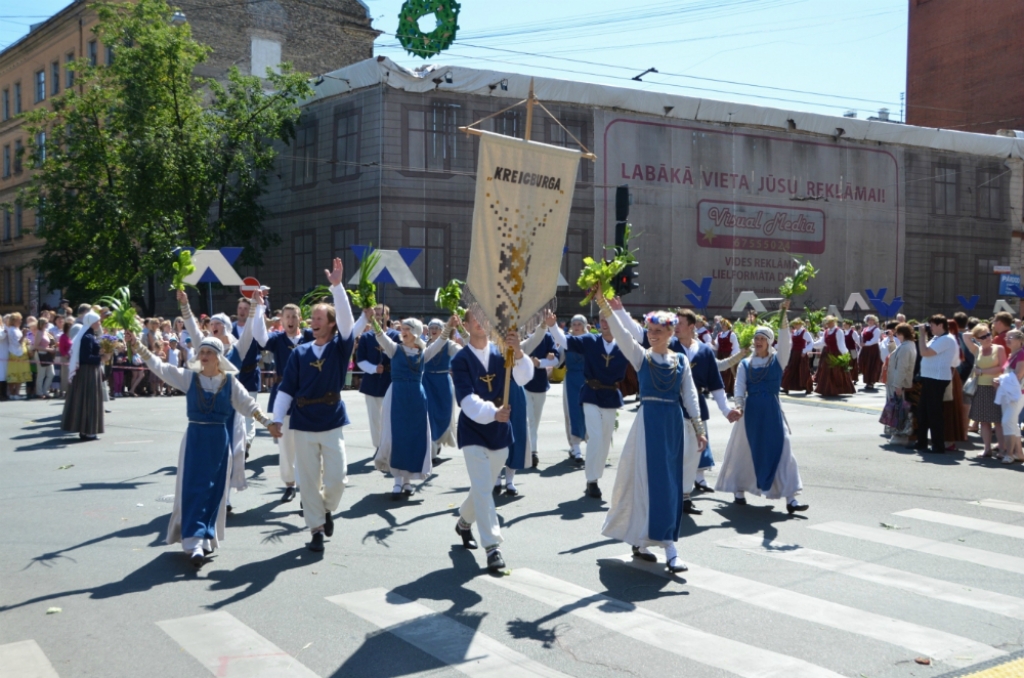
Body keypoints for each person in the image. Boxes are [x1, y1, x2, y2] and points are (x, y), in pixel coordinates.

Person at [126, 326, 272, 568]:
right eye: (201, 351)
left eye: (208, 352)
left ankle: (205, 537)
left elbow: (249, 405)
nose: (203, 356)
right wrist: (139, 347)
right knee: (194, 488)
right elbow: (160, 367)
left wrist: (268, 422)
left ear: (218, 357)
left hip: (218, 440)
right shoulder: (189, 378)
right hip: (195, 439)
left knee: (213, 491)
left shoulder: (230, 382)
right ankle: (193, 542)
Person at [598, 294, 707, 573]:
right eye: (650, 330)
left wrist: (698, 428)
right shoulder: (641, 356)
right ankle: (643, 539)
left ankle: (669, 546)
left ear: (671, 332)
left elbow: (691, 395)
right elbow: (622, 335)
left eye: (660, 331)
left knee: (670, 486)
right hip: (648, 425)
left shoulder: (680, 361)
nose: (653, 335)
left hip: (672, 424)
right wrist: (604, 305)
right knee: (644, 484)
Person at [270, 259, 357, 552]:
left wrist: (337, 287)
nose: (312, 321)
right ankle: (316, 529)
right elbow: (286, 389)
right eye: (312, 318)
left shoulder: (340, 346)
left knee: (337, 479)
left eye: (319, 318)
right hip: (304, 421)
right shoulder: (300, 352)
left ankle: (326, 509)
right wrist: (276, 419)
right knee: (307, 480)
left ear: (330, 324)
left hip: (331, 420)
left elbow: (346, 320)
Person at [451, 310, 533, 572]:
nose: (479, 322)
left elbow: (523, 378)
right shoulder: (461, 359)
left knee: (481, 486)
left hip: (501, 430)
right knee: (485, 489)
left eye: (483, 318)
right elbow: (466, 400)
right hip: (474, 429)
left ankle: (464, 522)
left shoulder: (502, 352)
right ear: (465, 325)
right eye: (473, 319)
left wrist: (518, 353)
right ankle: (492, 547)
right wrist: (492, 412)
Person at [716, 301, 809, 514]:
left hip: (772, 411)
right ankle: (739, 490)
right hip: (750, 412)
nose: (757, 342)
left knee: (783, 450)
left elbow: (786, 343)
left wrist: (784, 314)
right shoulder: (746, 364)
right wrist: (738, 406)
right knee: (744, 451)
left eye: (761, 339)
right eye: (756, 338)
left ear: (768, 342)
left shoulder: (778, 361)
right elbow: (739, 388)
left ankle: (791, 499)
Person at [370, 313, 458, 499]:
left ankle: (408, 481)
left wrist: (449, 326)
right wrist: (373, 320)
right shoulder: (394, 349)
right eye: (402, 329)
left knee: (413, 437)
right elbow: (381, 337)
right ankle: (396, 481)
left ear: (417, 333)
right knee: (396, 436)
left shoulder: (423, 353)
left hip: (417, 397)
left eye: (408, 329)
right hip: (397, 396)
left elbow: (440, 342)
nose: (403, 332)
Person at [550, 306, 630, 499]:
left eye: (608, 319)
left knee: (604, 439)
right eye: (601, 319)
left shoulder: (625, 343)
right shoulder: (590, 340)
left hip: (610, 395)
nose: (604, 323)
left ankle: (596, 476)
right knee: (594, 436)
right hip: (591, 393)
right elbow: (565, 341)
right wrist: (552, 326)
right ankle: (592, 480)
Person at [263, 302, 313, 502]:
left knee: (307, 446)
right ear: (281, 320)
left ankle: (306, 486)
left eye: (294, 316)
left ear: (300, 319)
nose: (291, 320)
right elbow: (260, 336)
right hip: (283, 394)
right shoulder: (277, 340)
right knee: (285, 445)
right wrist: (258, 308)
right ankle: (289, 484)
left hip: (307, 396)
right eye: (287, 317)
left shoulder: (309, 337)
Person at [912, 315, 959, 455]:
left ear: (940, 325)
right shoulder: (937, 338)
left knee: (934, 413)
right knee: (923, 412)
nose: (929, 328)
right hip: (929, 378)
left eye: (932, 325)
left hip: (937, 378)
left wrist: (921, 335)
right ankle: (922, 443)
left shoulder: (947, 339)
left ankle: (938, 445)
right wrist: (924, 336)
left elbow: (925, 352)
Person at [356, 304, 399, 451]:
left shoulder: (396, 336)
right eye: (377, 314)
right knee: (375, 419)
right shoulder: (366, 337)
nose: (379, 316)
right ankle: (379, 446)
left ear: (388, 316)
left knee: (391, 417)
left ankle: (391, 444)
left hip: (391, 381)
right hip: (372, 382)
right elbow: (360, 360)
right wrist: (374, 368)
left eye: (382, 314)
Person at [60, 311, 105, 440]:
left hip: (87, 371)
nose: (99, 322)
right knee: (89, 400)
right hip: (88, 372)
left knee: (85, 401)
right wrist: (101, 358)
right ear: (91, 322)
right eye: (97, 321)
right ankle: (88, 430)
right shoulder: (87, 337)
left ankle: (85, 430)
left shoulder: (87, 335)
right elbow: (86, 357)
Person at [521, 319, 560, 469]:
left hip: (540, 384)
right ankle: (533, 452)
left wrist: (541, 362)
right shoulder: (523, 336)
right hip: (523, 384)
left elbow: (555, 360)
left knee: (535, 421)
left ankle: (529, 448)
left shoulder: (547, 337)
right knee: (529, 419)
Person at [231, 296, 269, 452]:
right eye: (240, 308)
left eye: (246, 309)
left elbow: (264, 342)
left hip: (250, 374)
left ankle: (246, 445)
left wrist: (261, 308)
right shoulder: (229, 328)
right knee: (233, 413)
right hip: (233, 376)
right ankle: (235, 445)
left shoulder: (255, 329)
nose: (242, 311)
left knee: (249, 413)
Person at [964, 323, 1005, 458]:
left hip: (995, 388)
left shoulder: (998, 348)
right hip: (980, 388)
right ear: (978, 339)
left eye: (988, 334)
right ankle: (987, 449)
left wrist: (981, 371)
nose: (988, 337)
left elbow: (1001, 368)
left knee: (998, 421)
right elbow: (965, 336)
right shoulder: (977, 350)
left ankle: (1002, 449)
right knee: (983, 421)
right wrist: (976, 335)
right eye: (984, 336)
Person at [423, 319, 461, 462]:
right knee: (429, 414)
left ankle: (437, 441)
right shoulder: (423, 344)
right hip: (427, 382)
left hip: (443, 383)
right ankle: (431, 447)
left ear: (442, 330)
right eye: (431, 327)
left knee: (443, 414)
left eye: (437, 328)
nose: (433, 329)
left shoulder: (449, 345)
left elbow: (462, 353)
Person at [561, 315, 589, 461]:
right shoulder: (566, 340)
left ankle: (591, 444)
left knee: (589, 412)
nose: (576, 326)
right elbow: (557, 360)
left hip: (588, 379)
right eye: (574, 323)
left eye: (579, 324)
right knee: (572, 412)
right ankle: (575, 446)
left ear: (584, 325)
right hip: (571, 379)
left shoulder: (591, 340)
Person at [883, 324, 917, 445]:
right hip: (899, 382)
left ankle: (900, 436)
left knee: (898, 410)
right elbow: (894, 353)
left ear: (901, 334)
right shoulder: (907, 345)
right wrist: (892, 341)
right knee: (898, 409)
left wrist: (898, 384)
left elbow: (902, 367)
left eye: (897, 333)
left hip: (899, 383)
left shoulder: (906, 347)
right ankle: (899, 434)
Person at [994, 329, 1024, 464]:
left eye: (1010, 337)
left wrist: (1000, 379)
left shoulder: (1022, 353)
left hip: (1017, 394)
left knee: (1007, 421)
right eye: (1006, 337)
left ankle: (1009, 454)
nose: (1007, 339)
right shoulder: (1013, 354)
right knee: (1011, 422)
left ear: (1020, 340)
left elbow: (1018, 375)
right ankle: (1019, 453)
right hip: (1008, 393)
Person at [814, 316, 855, 396]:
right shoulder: (826, 331)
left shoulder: (838, 331)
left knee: (837, 371)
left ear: (833, 322)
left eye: (829, 322)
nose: (827, 324)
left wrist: (845, 354)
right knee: (826, 371)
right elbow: (822, 342)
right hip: (827, 354)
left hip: (836, 354)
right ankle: (826, 389)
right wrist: (811, 344)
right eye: (827, 323)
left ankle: (837, 389)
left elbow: (841, 344)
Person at [781, 317, 814, 394]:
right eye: (794, 324)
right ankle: (786, 386)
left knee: (803, 370)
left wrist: (805, 351)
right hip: (793, 353)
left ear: (800, 324)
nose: (795, 325)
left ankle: (807, 387)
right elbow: (791, 343)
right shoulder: (794, 332)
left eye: (797, 324)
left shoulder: (805, 332)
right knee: (790, 369)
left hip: (801, 353)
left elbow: (811, 343)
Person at [0, 313, 25, 401]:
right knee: (7, 375)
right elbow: (2, 337)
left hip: (13, 354)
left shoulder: (11, 329)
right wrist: (4, 332)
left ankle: (11, 393)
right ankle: (6, 393)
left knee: (13, 374)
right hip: (7, 355)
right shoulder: (7, 330)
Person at [715, 318, 741, 396]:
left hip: (728, 355)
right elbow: (717, 346)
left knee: (729, 373)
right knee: (721, 372)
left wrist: (732, 355)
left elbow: (736, 346)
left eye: (724, 325)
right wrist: (713, 344)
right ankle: (721, 388)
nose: (722, 326)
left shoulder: (731, 334)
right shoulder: (719, 334)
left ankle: (730, 389)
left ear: (727, 326)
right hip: (720, 355)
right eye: (722, 325)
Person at [33, 318, 57, 399]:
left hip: (47, 354)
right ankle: (39, 392)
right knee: (41, 375)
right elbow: (36, 346)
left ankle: (45, 390)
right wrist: (48, 349)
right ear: (42, 324)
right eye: (46, 323)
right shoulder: (39, 333)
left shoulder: (46, 332)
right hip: (41, 354)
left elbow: (50, 342)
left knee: (51, 374)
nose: (47, 324)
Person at [859, 315, 883, 389]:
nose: (870, 321)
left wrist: (865, 344)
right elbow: (862, 338)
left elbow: (875, 340)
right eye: (869, 320)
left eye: (872, 320)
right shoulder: (865, 329)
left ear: (875, 321)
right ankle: (867, 380)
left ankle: (871, 381)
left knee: (871, 365)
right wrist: (862, 344)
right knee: (865, 364)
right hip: (865, 349)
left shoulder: (876, 330)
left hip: (872, 349)